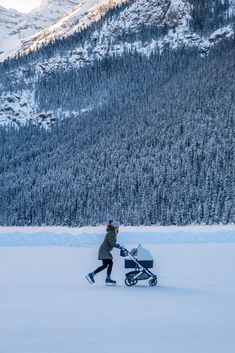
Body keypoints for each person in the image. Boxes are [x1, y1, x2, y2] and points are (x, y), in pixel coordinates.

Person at [86, 220, 124, 286]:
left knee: (109, 263)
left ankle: (107, 278)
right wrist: (119, 246)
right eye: (117, 227)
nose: (118, 228)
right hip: (104, 251)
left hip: (105, 251)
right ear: (115, 227)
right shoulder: (111, 233)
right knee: (106, 264)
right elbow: (111, 243)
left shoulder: (112, 232)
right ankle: (92, 275)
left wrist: (119, 246)